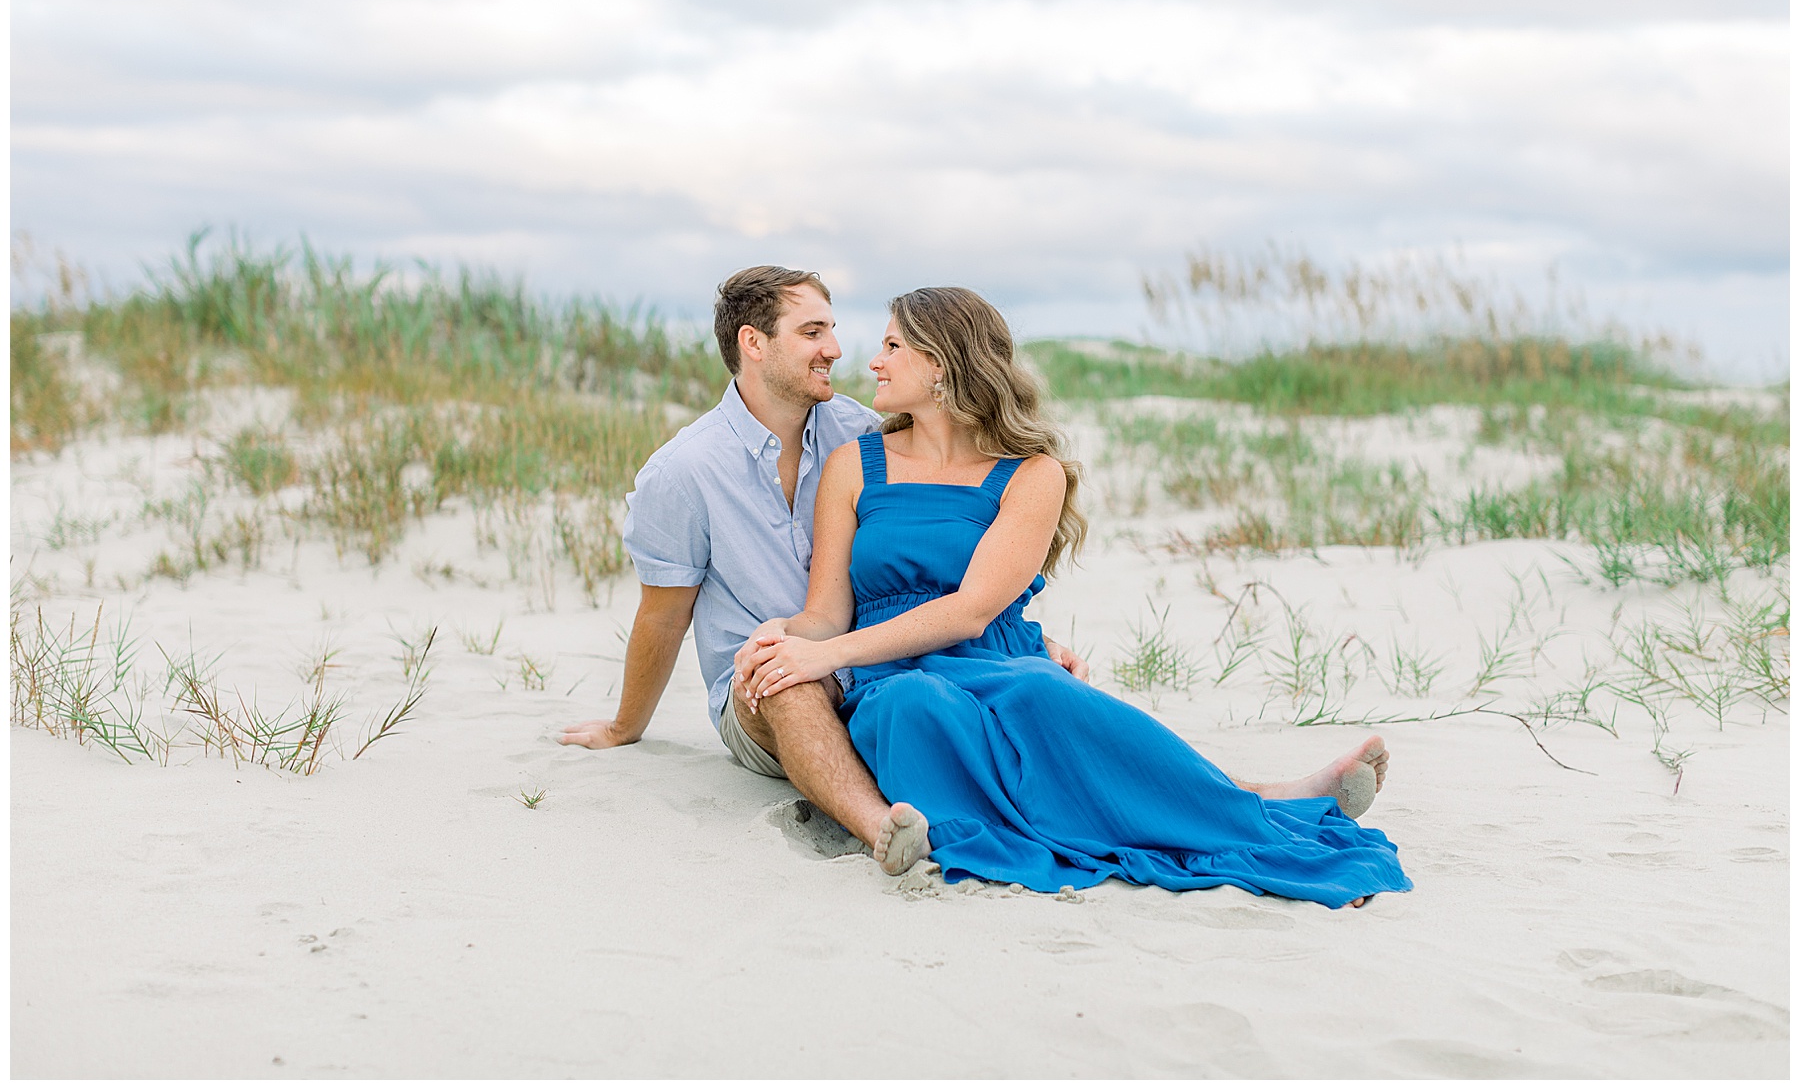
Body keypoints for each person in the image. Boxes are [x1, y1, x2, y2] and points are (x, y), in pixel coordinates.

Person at [734, 287, 1411, 908]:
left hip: (998, 658)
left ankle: (1264, 806)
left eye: (892, 346)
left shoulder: (1033, 474)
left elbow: (974, 608)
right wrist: (782, 635)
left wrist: (829, 655)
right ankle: (1257, 797)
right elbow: (827, 613)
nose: (873, 362)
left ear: (940, 363)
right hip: (891, 670)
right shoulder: (854, 464)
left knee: (1042, 695)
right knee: (915, 706)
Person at [558, 266, 1089, 876]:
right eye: (813, 332)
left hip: (876, 661)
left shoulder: (860, 432)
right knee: (784, 680)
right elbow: (663, 614)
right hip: (766, 685)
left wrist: (1021, 635)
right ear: (754, 343)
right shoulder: (683, 472)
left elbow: (938, 555)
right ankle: (882, 829)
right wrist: (625, 726)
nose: (835, 349)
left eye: (832, 329)